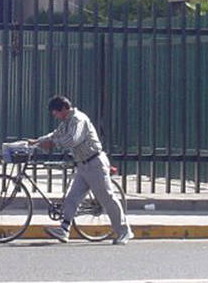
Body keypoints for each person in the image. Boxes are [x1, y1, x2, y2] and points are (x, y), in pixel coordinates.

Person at [28, 95, 133, 245]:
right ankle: (64, 229)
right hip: (83, 165)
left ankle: (124, 231)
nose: (55, 116)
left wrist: (53, 144)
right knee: (72, 198)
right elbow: (55, 134)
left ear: (63, 108)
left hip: (94, 163)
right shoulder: (66, 122)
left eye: (56, 113)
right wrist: (38, 141)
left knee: (107, 198)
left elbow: (72, 139)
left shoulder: (78, 119)